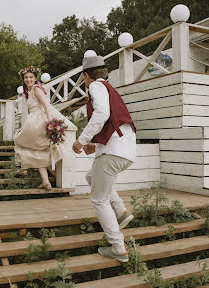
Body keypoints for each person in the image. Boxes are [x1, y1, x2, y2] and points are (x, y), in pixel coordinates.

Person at [72, 54, 137, 262]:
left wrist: (81, 140)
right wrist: (95, 145)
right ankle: (121, 211)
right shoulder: (109, 88)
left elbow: (102, 114)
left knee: (99, 198)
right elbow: (114, 124)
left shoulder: (95, 87)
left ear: (85, 76)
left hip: (113, 151)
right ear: (104, 71)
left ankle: (118, 247)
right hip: (124, 150)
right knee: (92, 177)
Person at [14, 65, 61, 190]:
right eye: (26, 77)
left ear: (35, 78)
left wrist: (50, 119)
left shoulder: (36, 89)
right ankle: (46, 182)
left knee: (19, 139)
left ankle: (24, 167)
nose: (28, 79)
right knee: (38, 150)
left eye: (30, 77)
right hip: (34, 119)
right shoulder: (29, 91)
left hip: (37, 120)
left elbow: (45, 104)